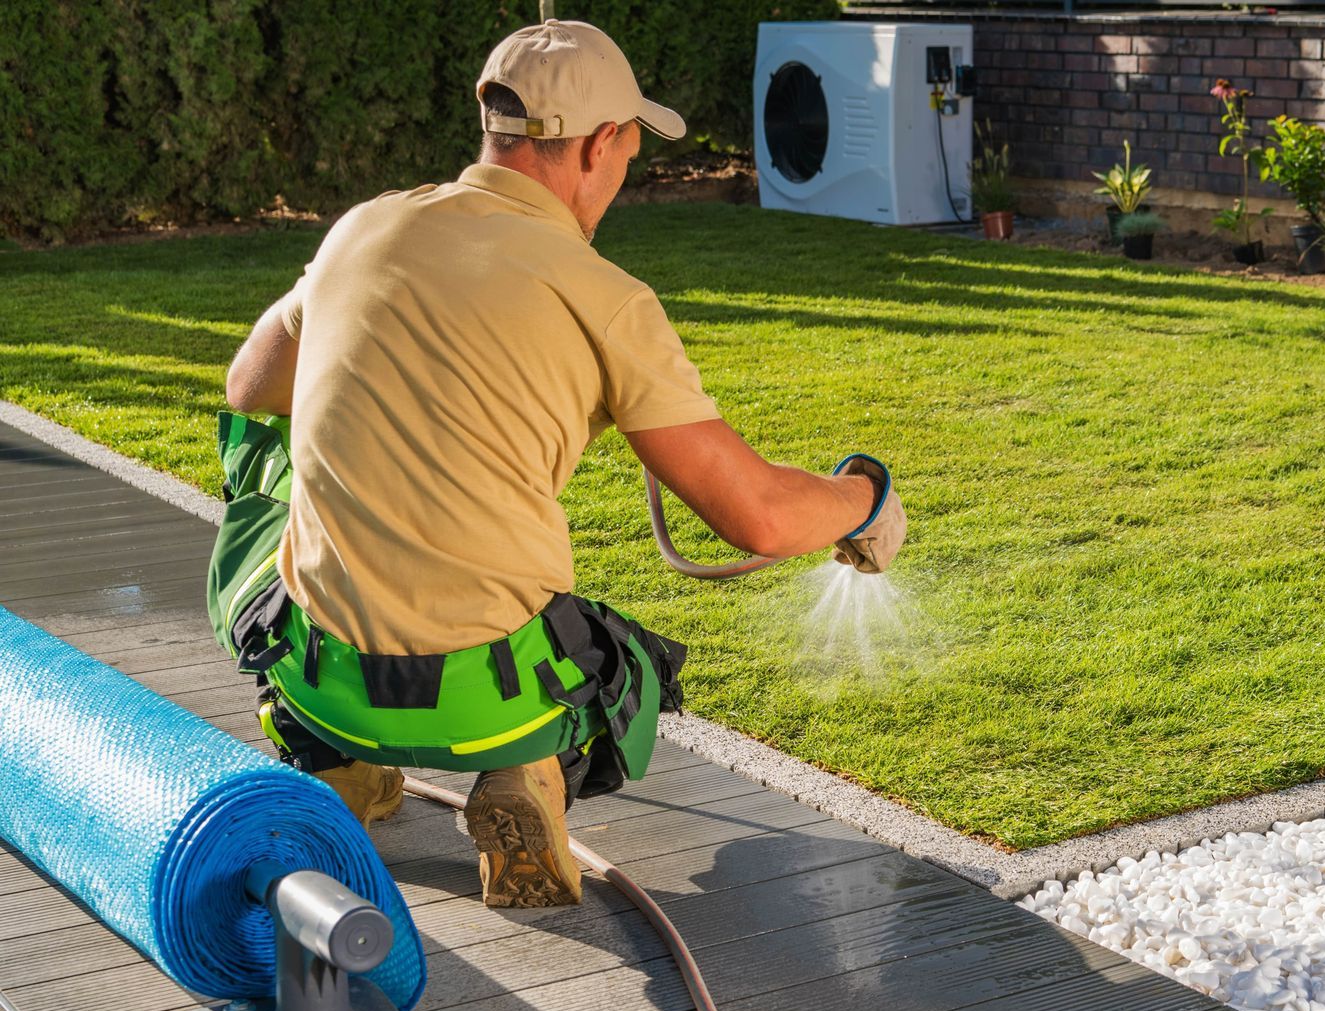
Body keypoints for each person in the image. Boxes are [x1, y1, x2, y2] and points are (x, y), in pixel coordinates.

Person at [212, 19, 904, 910]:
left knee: (258, 449)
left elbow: (250, 385)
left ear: (494, 126)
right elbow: (759, 517)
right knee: (631, 670)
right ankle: (525, 773)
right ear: (602, 143)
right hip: (490, 698)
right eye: (627, 153)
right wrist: (863, 495)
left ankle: (333, 758)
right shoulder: (606, 299)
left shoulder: (365, 227)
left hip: (322, 673)